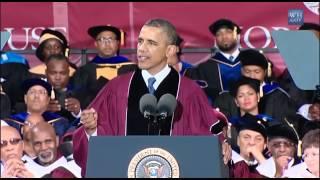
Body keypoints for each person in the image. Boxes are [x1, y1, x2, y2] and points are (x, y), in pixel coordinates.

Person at [73, 18, 231, 176]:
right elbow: (97, 145)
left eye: (151, 43)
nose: (141, 49)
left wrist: (221, 145)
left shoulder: (189, 92)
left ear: (169, 50)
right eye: (140, 41)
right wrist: (92, 131)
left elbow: (207, 137)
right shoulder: (116, 89)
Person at [214, 49, 298, 125]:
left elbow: (287, 126)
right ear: (242, 71)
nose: (252, 76)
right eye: (247, 71)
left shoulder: (278, 96)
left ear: (265, 72)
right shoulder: (228, 96)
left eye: (257, 72)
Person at [72, 25, 137, 108]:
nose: (107, 43)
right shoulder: (84, 71)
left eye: (111, 39)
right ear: (96, 44)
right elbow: (79, 98)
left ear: (117, 43)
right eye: (102, 39)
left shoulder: (131, 69)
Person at [184, 18, 242, 103]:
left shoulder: (253, 61)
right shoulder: (205, 68)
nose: (224, 37)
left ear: (236, 34)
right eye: (219, 34)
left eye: (228, 32)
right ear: (215, 39)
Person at [6, 78, 71, 137]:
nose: (36, 96)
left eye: (41, 92)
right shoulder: (11, 123)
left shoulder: (60, 123)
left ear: (48, 100)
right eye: (32, 92)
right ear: (25, 98)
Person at [45, 54, 83, 126]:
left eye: (62, 73)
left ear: (68, 73)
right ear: (46, 72)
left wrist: (78, 112)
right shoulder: (37, 92)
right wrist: (41, 111)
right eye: (53, 73)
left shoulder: (80, 92)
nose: (58, 77)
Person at [229, 113, 268, 178]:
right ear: (238, 141)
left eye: (258, 139)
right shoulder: (228, 163)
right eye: (246, 137)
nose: (252, 142)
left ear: (265, 145)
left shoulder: (276, 166)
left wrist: (261, 160)